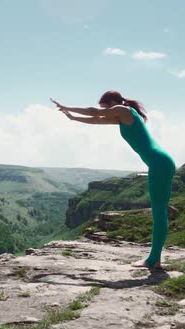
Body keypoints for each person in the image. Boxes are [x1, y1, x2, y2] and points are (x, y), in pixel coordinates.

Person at [51, 91, 176, 269]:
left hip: (159, 163)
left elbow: (93, 112)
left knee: (159, 211)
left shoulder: (122, 110)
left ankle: (153, 259)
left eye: (105, 107)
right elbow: (96, 120)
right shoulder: (124, 116)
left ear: (112, 103)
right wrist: (73, 118)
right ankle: (155, 258)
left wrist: (67, 107)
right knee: (160, 210)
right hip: (161, 162)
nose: (105, 111)